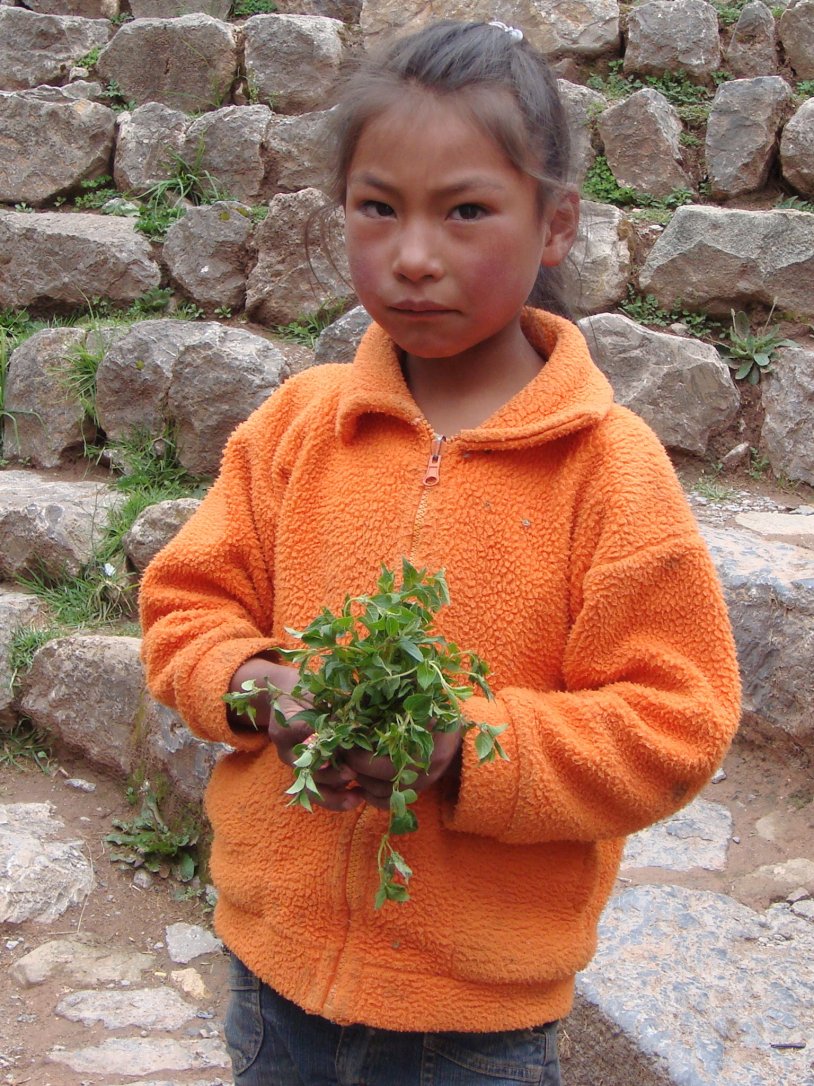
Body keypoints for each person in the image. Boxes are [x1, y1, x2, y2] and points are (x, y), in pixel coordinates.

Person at [139, 19, 741, 1086]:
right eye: (378, 208)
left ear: (554, 225)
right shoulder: (299, 427)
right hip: (274, 983)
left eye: (466, 211)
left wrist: (466, 751)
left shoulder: (608, 468)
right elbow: (186, 609)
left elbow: (674, 721)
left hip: (477, 1023)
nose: (414, 255)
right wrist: (260, 685)